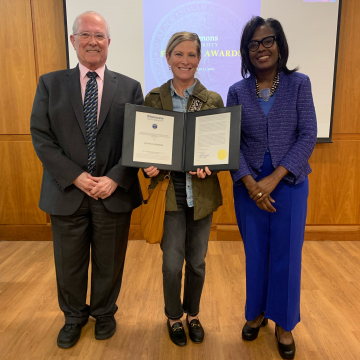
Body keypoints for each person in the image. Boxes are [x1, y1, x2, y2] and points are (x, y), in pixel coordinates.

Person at [30, 11, 143, 348]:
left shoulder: (130, 87)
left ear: (109, 42)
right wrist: (76, 176)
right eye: (86, 35)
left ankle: (104, 313)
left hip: (113, 191)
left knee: (110, 261)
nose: (93, 41)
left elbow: (137, 141)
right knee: (69, 263)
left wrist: (115, 178)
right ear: (73, 40)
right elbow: (41, 136)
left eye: (99, 36)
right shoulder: (51, 84)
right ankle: (74, 317)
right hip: (66, 191)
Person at [227, 17, 317, 359]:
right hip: (248, 181)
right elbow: (230, 143)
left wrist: (273, 177)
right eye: (253, 44)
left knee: (287, 254)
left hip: (289, 181)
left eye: (267, 41)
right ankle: (257, 313)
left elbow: (308, 134)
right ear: (245, 52)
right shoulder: (237, 90)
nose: (261, 49)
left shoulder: (299, 84)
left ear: (279, 46)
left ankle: (284, 322)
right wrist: (251, 182)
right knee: (256, 252)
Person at [143, 32, 223, 347]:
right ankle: (174, 317)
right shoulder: (153, 98)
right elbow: (146, 144)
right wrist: (147, 164)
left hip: (201, 193)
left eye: (191, 55)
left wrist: (211, 165)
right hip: (169, 192)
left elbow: (219, 149)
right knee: (172, 263)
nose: (185, 61)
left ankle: (193, 314)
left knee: (198, 261)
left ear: (199, 59)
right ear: (168, 57)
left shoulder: (213, 99)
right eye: (178, 54)